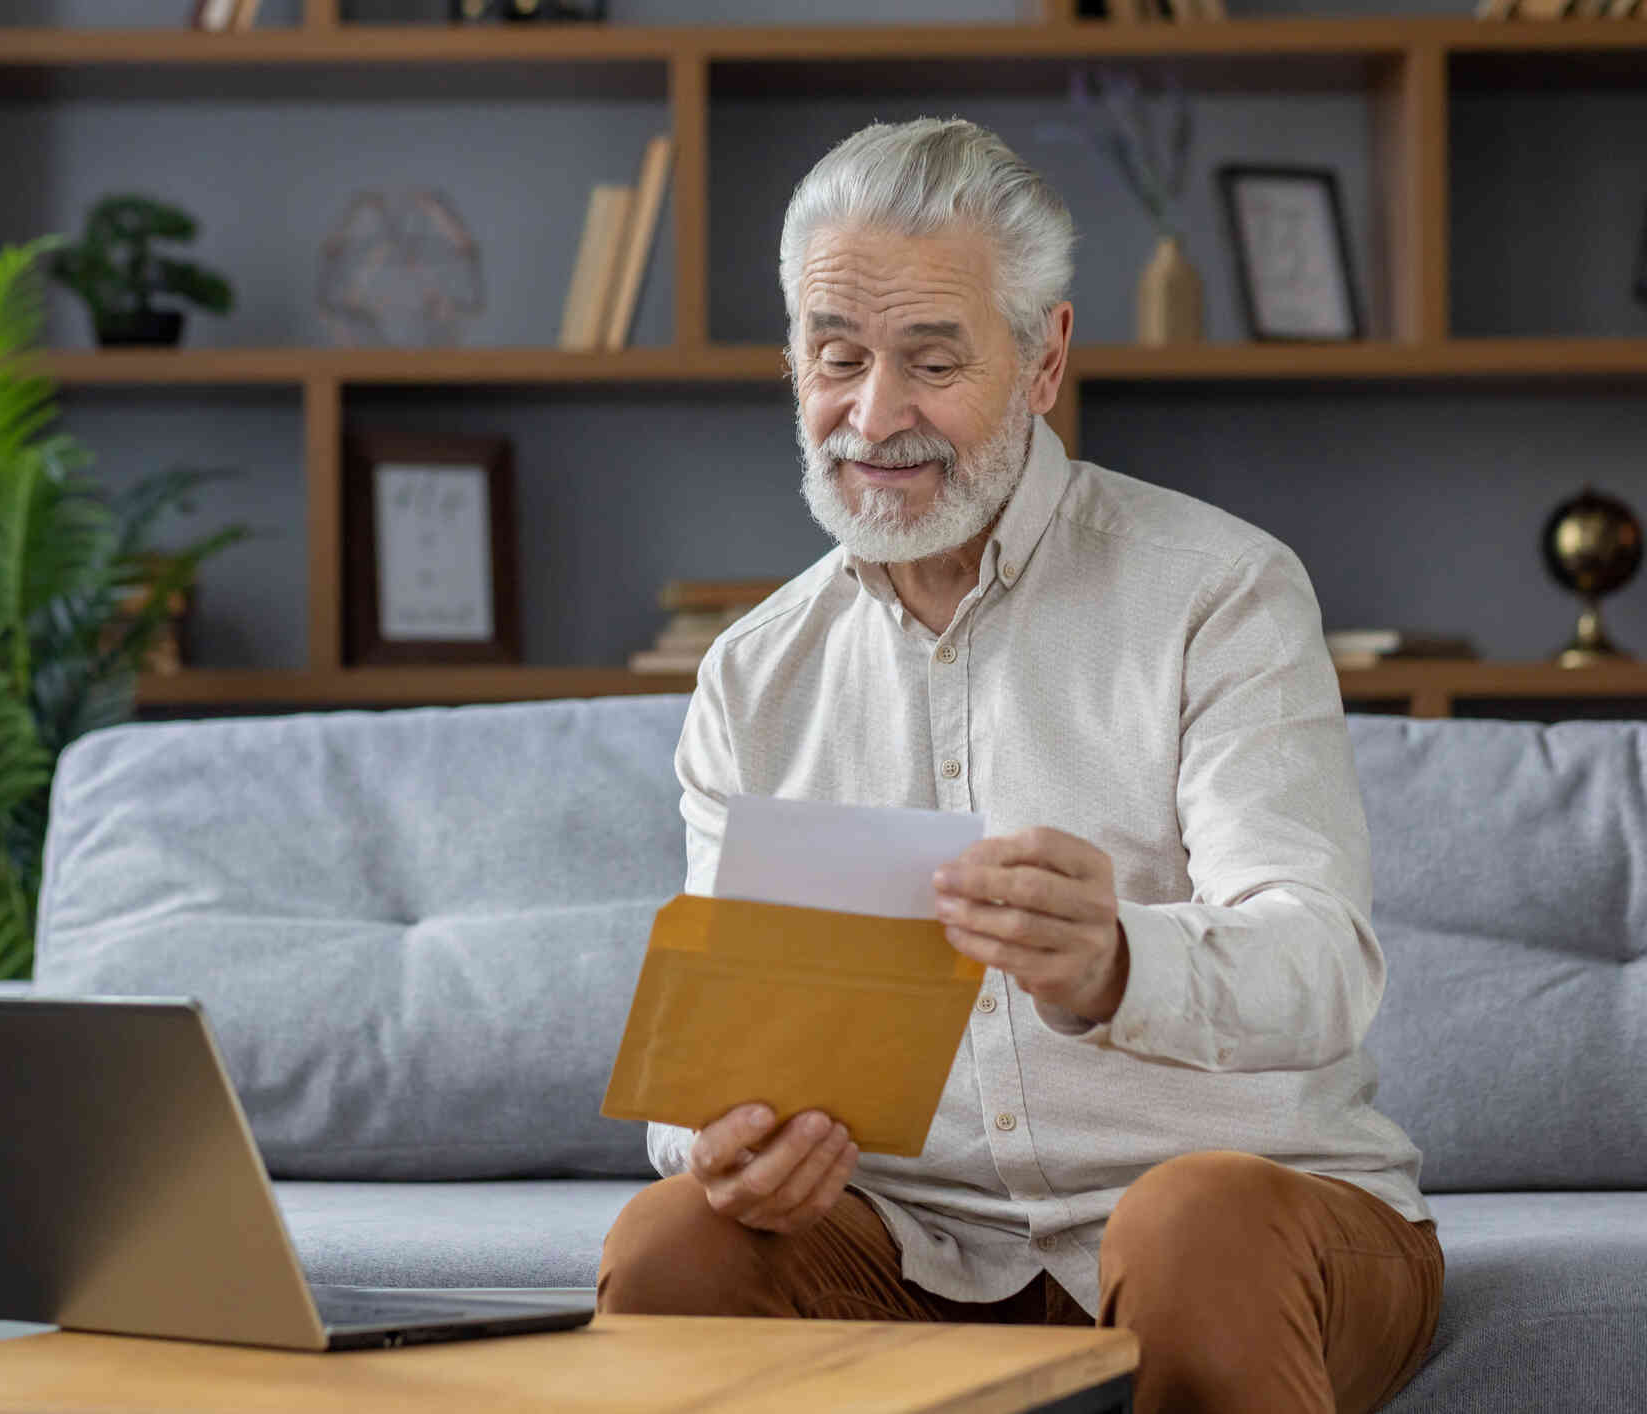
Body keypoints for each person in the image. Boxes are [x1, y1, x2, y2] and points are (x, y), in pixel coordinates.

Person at [595, 117, 1444, 1414]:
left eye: (932, 360)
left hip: (1252, 1207)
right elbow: (709, 1074)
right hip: (913, 1240)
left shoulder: (1220, 591)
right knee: (669, 1244)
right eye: (837, 358)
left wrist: (1118, 964)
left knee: (1191, 1222)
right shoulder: (753, 674)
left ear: (1044, 359)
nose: (874, 416)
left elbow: (1323, 963)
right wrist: (719, 1142)